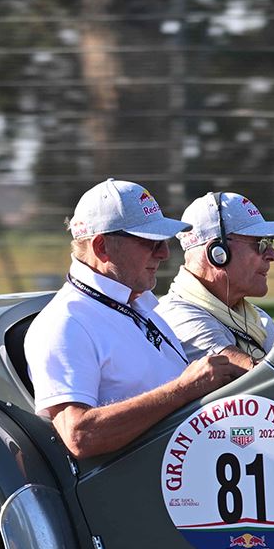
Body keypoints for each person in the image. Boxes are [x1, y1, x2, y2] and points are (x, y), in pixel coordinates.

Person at [25, 178, 241, 458]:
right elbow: (79, 435)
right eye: (149, 242)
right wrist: (183, 389)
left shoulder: (135, 303)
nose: (164, 253)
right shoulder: (65, 322)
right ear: (102, 247)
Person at [158, 191, 274, 370]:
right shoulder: (178, 317)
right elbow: (263, 377)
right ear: (218, 253)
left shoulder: (257, 318)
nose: (272, 255)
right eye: (260, 243)